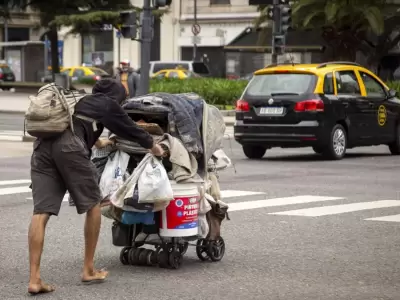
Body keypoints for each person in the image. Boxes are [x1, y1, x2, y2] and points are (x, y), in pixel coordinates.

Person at [28, 78, 164, 295]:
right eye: (123, 98)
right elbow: (130, 129)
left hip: (42, 148)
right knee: (93, 204)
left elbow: (77, 125)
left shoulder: (80, 99)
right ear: (116, 95)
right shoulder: (107, 103)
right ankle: (88, 269)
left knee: (41, 212)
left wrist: (99, 142)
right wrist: (154, 147)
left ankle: (34, 279)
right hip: (70, 149)